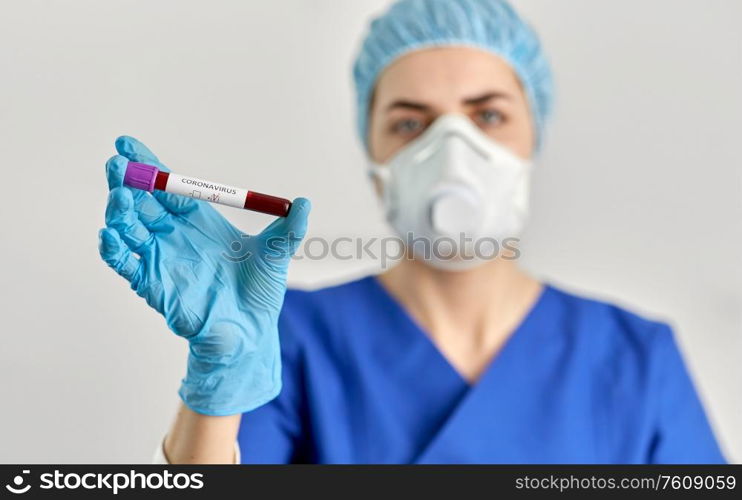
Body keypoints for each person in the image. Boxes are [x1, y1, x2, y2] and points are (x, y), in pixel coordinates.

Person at [98, 0, 726, 464]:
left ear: (534, 136)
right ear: (373, 159)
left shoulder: (636, 360)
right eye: (409, 124)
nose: (453, 152)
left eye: (488, 115)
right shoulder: (288, 339)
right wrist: (216, 384)